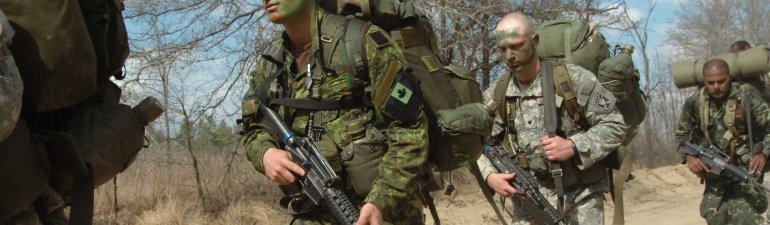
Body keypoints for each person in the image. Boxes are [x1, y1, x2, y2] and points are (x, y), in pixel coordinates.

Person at [240, 0, 429, 224]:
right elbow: (252, 126)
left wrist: (381, 201)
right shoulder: (271, 64)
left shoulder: (361, 41)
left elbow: (411, 130)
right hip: (312, 215)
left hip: (382, 215)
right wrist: (266, 154)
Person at [475, 12, 626, 224]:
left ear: (535, 41)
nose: (509, 55)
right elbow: (476, 141)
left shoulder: (573, 79)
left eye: (517, 46)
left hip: (581, 196)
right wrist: (490, 176)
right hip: (529, 199)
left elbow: (615, 124)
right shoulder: (498, 92)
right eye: (502, 49)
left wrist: (574, 145)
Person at [675, 58, 770, 224]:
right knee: (715, 218)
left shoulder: (746, 97)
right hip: (715, 176)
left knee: (747, 219)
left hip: (745, 172)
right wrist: (690, 157)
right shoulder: (695, 102)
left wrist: (763, 153)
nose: (716, 86)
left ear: (730, 76)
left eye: (721, 81)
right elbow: (682, 135)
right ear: (704, 81)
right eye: (710, 82)